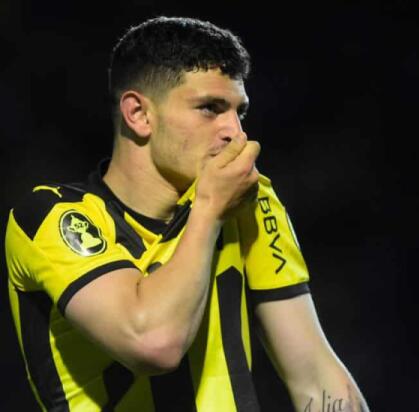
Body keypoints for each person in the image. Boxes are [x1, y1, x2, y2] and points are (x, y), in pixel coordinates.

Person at [5, 16, 369, 411]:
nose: (235, 133)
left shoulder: (249, 202)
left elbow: (315, 376)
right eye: (210, 108)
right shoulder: (51, 217)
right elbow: (153, 344)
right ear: (139, 114)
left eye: (240, 113)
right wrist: (209, 209)